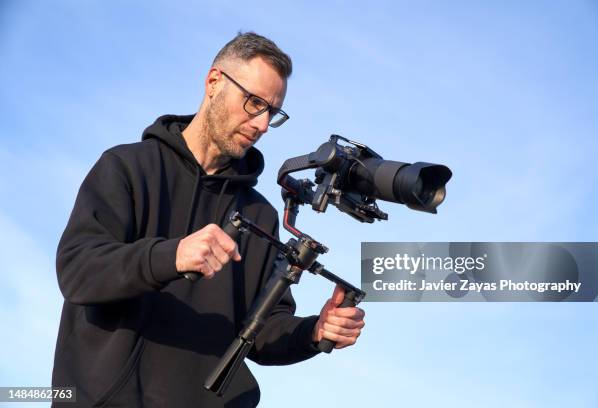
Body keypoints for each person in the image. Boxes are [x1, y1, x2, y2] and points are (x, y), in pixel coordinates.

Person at [52, 32, 365, 407]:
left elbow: (262, 331)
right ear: (214, 82)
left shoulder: (259, 215)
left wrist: (314, 332)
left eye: (272, 112)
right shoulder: (127, 167)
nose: (262, 124)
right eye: (253, 103)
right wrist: (172, 256)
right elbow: (78, 271)